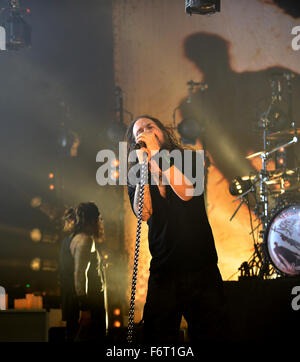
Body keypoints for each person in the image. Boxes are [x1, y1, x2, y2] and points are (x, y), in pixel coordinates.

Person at [125, 115, 228, 344]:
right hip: (164, 270)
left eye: (150, 127)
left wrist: (157, 158)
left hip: (201, 267)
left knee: (212, 336)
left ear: (162, 131)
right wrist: (144, 166)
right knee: (157, 339)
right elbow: (144, 212)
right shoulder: (136, 172)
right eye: (139, 131)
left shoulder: (189, 157)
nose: (146, 132)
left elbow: (186, 192)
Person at [59, 202, 106, 342]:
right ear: (93, 220)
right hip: (89, 306)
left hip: (77, 304)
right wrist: (85, 309)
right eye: (99, 219)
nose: (100, 223)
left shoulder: (68, 240)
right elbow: (79, 276)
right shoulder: (85, 241)